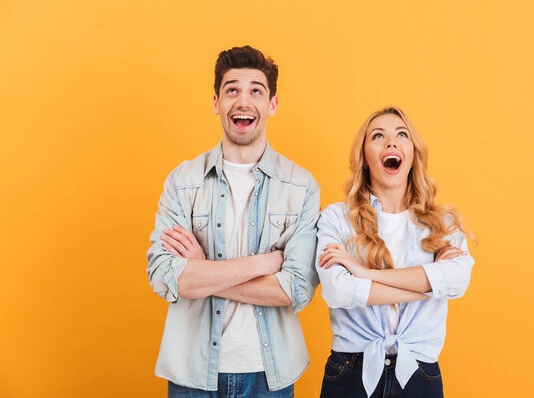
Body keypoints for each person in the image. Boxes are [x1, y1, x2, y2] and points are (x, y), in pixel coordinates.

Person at [146, 46, 321, 398]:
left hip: (269, 375)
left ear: (272, 104)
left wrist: (202, 271)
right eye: (232, 90)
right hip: (192, 374)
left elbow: (295, 289)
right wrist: (262, 264)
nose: (243, 101)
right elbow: (165, 276)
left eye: (256, 90)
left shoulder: (302, 186)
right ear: (216, 102)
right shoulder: (182, 181)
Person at [316, 106, 475, 398]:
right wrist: (429, 287)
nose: (391, 142)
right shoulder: (336, 218)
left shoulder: (444, 223)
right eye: (378, 136)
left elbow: (455, 282)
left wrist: (365, 274)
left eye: (402, 135)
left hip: (419, 373)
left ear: (413, 154)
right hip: (350, 371)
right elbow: (338, 291)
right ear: (364, 158)